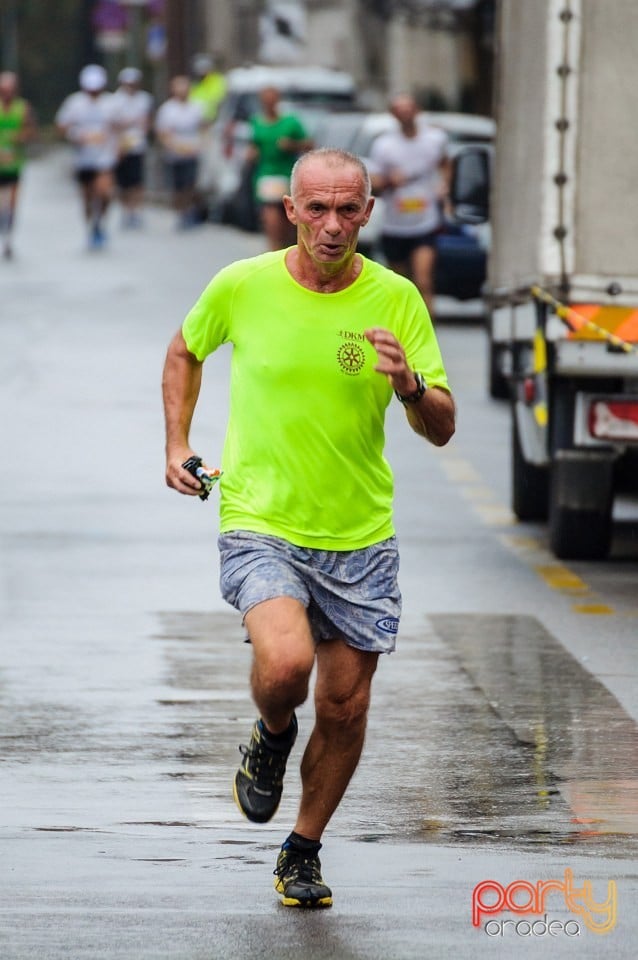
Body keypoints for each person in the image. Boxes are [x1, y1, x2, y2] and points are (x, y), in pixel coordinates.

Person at [162, 148, 455, 908]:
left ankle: (303, 848)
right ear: (290, 210)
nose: (332, 225)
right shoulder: (243, 284)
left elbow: (443, 426)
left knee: (345, 706)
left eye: (347, 209)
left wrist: (411, 386)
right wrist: (176, 444)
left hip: (360, 534)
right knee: (288, 668)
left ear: (368, 212)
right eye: (316, 208)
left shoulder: (396, 301)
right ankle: (270, 734)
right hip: (260, 517)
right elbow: (186, 349)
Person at [368, 93, 451, 316]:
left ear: (417, 110)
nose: (405, 113)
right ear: (393, 114)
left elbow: (446, 164)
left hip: (425, 222)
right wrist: (388, 181)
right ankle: (403, 331)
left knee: (423, 281)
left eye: (409, 108)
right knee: (401, 285)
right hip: (395, 224)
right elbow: (374, 182)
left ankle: (427, 335)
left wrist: (446, 188)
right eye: (399, 109)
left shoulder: (435, 138)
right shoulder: (384, 145)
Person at [56, 64, 117, 250]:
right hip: (83, 158)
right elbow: (62, 126)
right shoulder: (74, 103)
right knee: (88, 197)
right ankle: (92, 226)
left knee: (105, 193)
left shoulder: (110, 103)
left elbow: (119, 126)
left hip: (104, 157)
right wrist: (76, 136)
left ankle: (100, 222)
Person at [247, 85, 311, 250]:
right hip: (267, 175)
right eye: (265, 101)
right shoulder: (256, 122)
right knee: (271, 216)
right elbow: (253, 145)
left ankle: (289, 249)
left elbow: (309, 144)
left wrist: (292, 145)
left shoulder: (291, 122)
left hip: (288, 174)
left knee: (290, 220)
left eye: (272, 100)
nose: (269, 104)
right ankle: (274, 250)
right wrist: (251, 154)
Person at [155, 75, 206, 229]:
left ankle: (189, 211)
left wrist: (200, 145)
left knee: (190, 184)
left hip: (192, 152)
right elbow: (163, 133)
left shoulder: (197, 107)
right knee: (178, 187)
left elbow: (204, 128)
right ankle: (181, 212)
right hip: (175, 154)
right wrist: (174, 146)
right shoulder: (167, 109)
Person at [110, 67, 153, 228]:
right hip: (121, 145)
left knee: (137, 181)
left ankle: (136, 210)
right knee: (123, 183)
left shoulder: (144, 99)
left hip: (138, 145)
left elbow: (147, 121)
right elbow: (114, 124)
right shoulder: (115, 100)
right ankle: (126, 210)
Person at [0, 71, 36, 260]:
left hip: (14, 163)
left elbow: (31, 131)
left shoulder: (22, 107)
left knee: (12, 205)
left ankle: (8, 240)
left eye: (9, 90)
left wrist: (19, 138)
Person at [189, 53, 226, 123]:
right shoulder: (195, 83)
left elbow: (218, 99)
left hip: (215, 119)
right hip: (197, 120)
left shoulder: (217, 80)